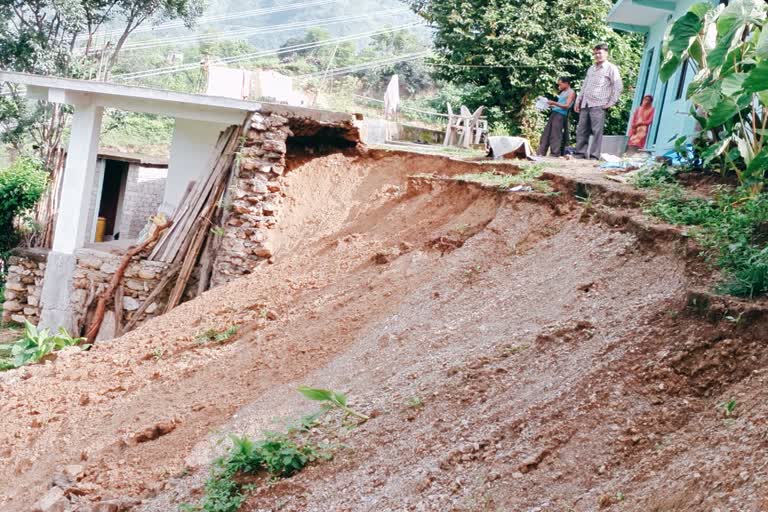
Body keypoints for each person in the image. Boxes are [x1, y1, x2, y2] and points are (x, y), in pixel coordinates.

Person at [573, 43, 623, 160]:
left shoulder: (611, 68)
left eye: (599, 53)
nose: (597, 55)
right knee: (581, 129)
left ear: (606, 53)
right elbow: (584, 85)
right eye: (595, 53)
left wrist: (612, 102)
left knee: (596, 131)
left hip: (599, 104)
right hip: (586, 103)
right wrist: (578, 100)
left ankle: (594, 155)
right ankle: (580, 153)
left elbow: (618, 85)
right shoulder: (591, 68)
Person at [537, 77, 576, 157]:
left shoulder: (571, 92)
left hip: (561, 115)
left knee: (555, 135)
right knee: (546, 134)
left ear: (566, 83)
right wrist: (549, 105)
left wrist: (554, 103)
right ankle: (541, 153)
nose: (559, 86)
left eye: (560, 84)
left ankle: (555, 153)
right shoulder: (562, 92)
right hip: (555, 113)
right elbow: (559, 105)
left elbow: (567, 105)